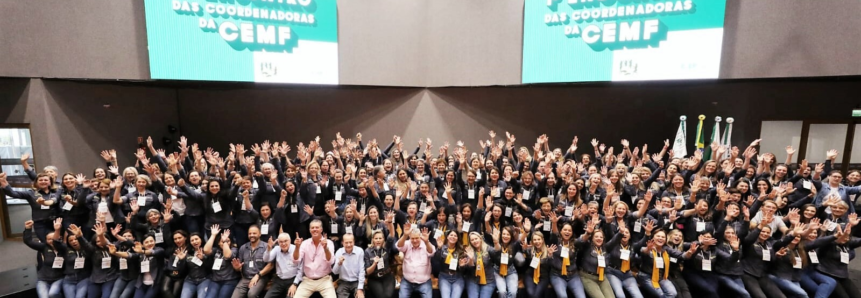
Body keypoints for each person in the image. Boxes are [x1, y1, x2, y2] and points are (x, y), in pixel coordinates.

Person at [292, 219, 336, 298]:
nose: (314, 229)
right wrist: (297, 247)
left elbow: (331, 262)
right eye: (312, 228)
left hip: (324, 280)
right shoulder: (305, 243)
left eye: (317, 227)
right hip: (307, 280)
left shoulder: (329, 243)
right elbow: (296, 260)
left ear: (321, 229)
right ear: (309, 230)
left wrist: (325, 248)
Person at [24, 218, 65, 298]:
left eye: (53, 239)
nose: (51, 241)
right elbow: (28, 242)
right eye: (49, 239)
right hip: (43, 279)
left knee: (52, 294)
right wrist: (28, 229)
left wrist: (57, 230)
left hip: (58, 278)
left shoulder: (64, 248)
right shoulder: (44, 247)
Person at [231, 225, 272, 298]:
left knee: (251, 294)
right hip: (246, 278)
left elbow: (271, 265)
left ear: (259, 234)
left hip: (260, 277)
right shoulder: (243, 248)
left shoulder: (266, 247)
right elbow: (239, 268)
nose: (251, 235)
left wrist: (258, 275)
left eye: (254, 233)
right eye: (250, 233)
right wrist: (237, 268)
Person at [397, 224, 434, 298]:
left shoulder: (426, 244)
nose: (414, 240)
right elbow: (399, 246)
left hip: (424, 282)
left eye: (417, 238)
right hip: (407, 281)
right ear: (410, 238)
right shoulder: (407, 243)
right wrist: (405, 235)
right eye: (412, 238)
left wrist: (427, 242)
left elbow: (431, 252)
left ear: (420, 237)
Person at [262, 233, 300, 298]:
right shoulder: (277, 249)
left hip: (292, 280)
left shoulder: (295, 249)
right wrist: (268, 249)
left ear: (290, 241)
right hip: (279, 280)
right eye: (281, 242)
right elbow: (266, 259)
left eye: (285, 241)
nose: (283, 244)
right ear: (278, 242)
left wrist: (295, 284)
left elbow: (300, 269)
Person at [332, 234, 365, 298]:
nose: (349, 245)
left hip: (356, 281)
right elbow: (335, 272)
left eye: (350, 242)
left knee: (361, 296)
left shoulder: (359, 251)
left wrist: (360, 288)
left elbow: (362, 270)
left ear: (354, 242)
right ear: (342, 243)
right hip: (343, 281)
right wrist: (339, 263)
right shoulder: (339, 252)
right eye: (346, 242)